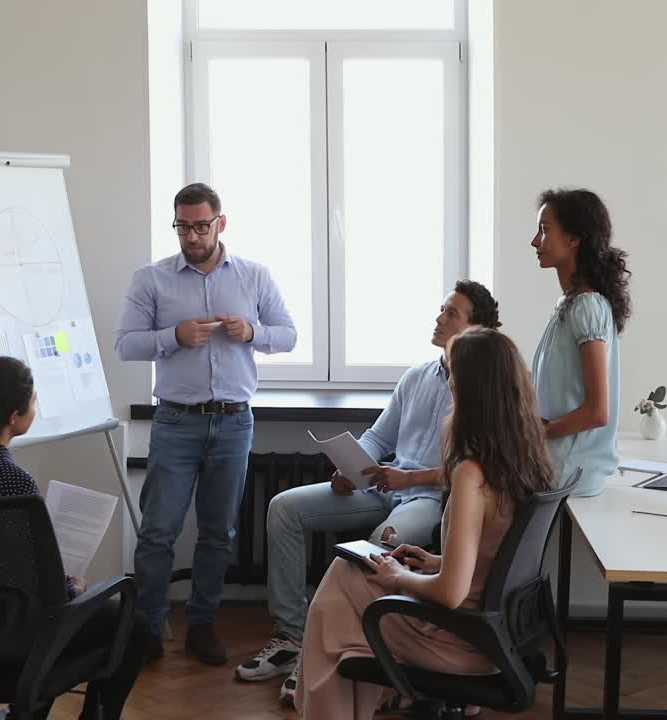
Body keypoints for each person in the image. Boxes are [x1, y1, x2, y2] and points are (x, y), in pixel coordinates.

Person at [237, 281, 502, 706]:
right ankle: (292, 635)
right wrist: (351, 467)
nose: (439, 318)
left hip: (428, 498)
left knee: (381, 547)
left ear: (477, 330)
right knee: (283, 508)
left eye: (452, 313)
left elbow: (469, 474)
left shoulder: (480, 390)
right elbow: (379, 437)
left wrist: (409, 479)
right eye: (442, 309)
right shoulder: (416, 376)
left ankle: (357, 652)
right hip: (383, 485)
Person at [294, 327, 555, 719]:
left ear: (470, 392)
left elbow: (450, 594)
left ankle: (317, 700)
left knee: (339, 590)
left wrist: (398, 577)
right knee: (346, 594)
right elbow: (497, 555)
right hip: (494, 635)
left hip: (459, 638)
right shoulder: (525, 458)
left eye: (452, 379)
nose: (448, 389)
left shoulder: (471, 472)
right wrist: (433, 561)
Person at [115, 182, 297, 666]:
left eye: (200, 225)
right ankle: (149, 628)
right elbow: (125, 344)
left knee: (219, 534)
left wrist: (253, 332)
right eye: (183, 226)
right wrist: (172, 336)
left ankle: (201, 625)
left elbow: (289, 335)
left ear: (221, 223)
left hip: (234, 422)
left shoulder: (254, 277)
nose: (192, 236)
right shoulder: (151, 279)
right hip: (175, 421)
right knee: (158, 531)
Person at [0, 355, 147, 720]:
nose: (35, 406)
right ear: (15, 416)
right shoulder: (14, 481)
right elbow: (38, 581)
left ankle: (27, 712)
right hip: (15, 632)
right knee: (133, 622)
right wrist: (73, 588)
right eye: (32, 400)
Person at [530, 188, 630, 497]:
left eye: (544, 231)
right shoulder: (570, 303)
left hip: (569, 469)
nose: (535, 241)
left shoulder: (586, 306)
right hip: (555, 463)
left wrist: (537, 432)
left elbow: (597, 411)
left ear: (574, 238)